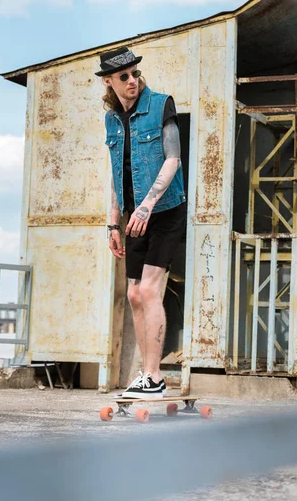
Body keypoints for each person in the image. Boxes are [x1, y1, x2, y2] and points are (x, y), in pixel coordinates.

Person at [97, 46, 186, 399]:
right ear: (109, 81)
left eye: (135, 74)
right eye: (124, 77)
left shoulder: (162, 104)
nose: (132, 81)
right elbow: (117, 174)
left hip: (164, 211)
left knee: (149, 290)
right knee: (134, 294)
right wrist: (113, 224)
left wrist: (147, 207)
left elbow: (173, 159)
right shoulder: (111, 120)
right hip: (132, 218)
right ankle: (146, 375)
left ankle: (155, 375)